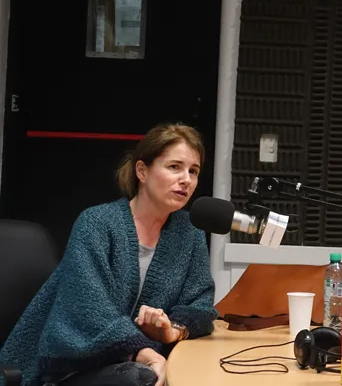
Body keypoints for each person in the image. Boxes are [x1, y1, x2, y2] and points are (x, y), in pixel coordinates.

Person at [0, 124, 218, 386]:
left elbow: (200, 304)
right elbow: (89, 310)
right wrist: (145, 353)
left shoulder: (190, 233)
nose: (186, 180)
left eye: (193, 171)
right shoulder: (96, 223)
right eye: (174, 167)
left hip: (140, 366)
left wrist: (172, 331)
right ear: (142, 171)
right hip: (74, 367)